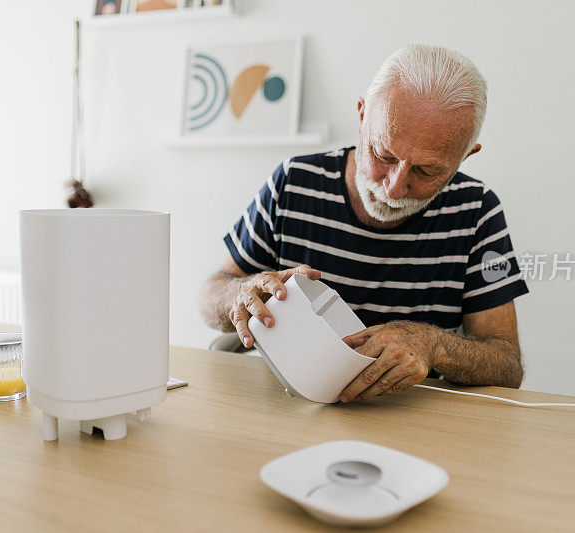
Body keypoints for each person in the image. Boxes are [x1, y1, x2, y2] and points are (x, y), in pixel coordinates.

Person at [200, 44, 528, 402]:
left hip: (411, 414)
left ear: (465, 156)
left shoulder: (478, 210)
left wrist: (434, 345)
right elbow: (211, 295)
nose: (395, 186)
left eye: (426, 171)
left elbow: (507, 364)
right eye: (383, 154)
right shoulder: (294, 181)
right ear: (361, 115)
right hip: (289, 399)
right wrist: (242, 292)